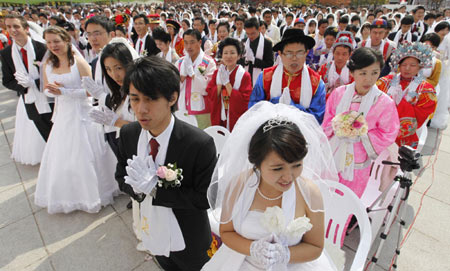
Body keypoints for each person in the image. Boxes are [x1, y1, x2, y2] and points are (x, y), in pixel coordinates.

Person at [204, 101, 337, 271]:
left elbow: (316, 246)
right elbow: (227, 232)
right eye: (278, 168)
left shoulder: (310, 193)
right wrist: (252, 248)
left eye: (297, 165)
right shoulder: (238, 186)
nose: (289, 177)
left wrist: (286, 254)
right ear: (257, 163)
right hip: (243, 262)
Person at [115, 56, 217, 270]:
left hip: (188, 238)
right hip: (150, 228)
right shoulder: (129, 134)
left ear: (172, 97)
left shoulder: (199, 143)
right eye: (134, 99)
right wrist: (136, 189)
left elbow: (204, 198)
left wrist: (156, 190)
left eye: (150, 99)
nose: (140, 109)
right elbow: (120, 175)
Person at [35, 26, 119, 214]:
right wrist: (54, 89)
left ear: (66, 40)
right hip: (64, 113)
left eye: (56, 41)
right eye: (49, 42)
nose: (53, 46)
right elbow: (47, 89)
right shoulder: (48, 63)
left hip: (83, 112)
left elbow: (91, 91)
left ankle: (97, 191)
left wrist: (64, 91)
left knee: (88, 153)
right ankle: (69, 193)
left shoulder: (79, 62)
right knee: (63, 154)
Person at [322, 47, 399, 199]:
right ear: (352, 72)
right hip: (333, 154)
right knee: (325, 197)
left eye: (374, 73)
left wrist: (361, 133)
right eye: (363, 73)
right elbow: (327, 121)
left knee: (347, 202)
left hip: (358, 163)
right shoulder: (339, 93)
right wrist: (339, 126)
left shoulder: (384, 102)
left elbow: (389, 132)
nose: (369, 79)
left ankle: (344, 223)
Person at [249, 29, 326, 124]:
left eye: (299, 53)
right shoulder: (265, 77)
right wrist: (273, 105)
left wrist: (292, 107)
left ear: (306, 52)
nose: (294, 58)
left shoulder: (316, 82)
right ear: (280, 54)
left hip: (302, 135)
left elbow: (317, 117)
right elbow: (254, 110)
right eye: (289, 53)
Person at [0, 14, 53, 145]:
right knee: (48, 139)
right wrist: (24, 85)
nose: (13, 30)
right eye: (9, 27)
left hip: (52, 100)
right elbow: (7, 80)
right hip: (31, 103)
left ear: (26, 28)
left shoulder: (43, 48)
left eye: (16, 26)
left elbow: (53, 74)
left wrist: (35, 82)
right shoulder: (6, 53)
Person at [376, 42, 437, 148]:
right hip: (379, 131)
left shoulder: (426, 91)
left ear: (420, 67)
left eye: (413, 65)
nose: (407, 68)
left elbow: (419, 119)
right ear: (399, 66)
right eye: (404, 65)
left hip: (405, 139)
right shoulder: (384, 82)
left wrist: (402, 104)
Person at [206, 38, 252, 131]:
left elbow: (244, 101)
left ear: (239, 56)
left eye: (232, 53)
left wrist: (227, 83)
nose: (228, 56)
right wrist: (219, 84)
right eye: (225, 53)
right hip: (220, 113)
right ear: (221, 55)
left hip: (234, 115)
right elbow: (210, 93)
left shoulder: (244, 75)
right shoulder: (217, 73)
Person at [176, 29, 216, 129]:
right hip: (182, 108)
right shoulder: (180, 62)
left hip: (201, 109)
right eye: (186, 42)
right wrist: (182, 77)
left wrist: (193, 75)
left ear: (200, 42)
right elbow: (172, 86)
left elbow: (209, 87)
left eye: (192, 42)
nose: (189, 46)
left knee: (203, 137)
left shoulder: (208, 62)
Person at [318, 31, 355, 99]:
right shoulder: (324, 68)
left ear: (350, 55)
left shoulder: (354, 70)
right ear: (333, 52)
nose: (340, 57)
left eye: (344, 54)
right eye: (337, 53)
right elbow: (318, 88)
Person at [242, 17, 274, 85]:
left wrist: (254, 60)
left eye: (253, 33)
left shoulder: (267, 43)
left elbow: (270, 64)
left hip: (261, 78)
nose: (250, 36)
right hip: (246, 76)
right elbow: (239, 61)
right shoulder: (244, 42)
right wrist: (245, 60)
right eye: (247, 33)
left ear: (259, 29)